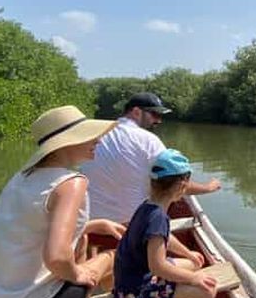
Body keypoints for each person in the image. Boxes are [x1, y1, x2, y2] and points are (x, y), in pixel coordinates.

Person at [0, 106, 123, 298]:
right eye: (90, 135)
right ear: (67, 142)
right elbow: (56, 257)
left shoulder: (20, 178)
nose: (98, 140)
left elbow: (27, 227)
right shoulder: (71, 183)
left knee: (83, 240)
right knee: (115, 255)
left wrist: (94, 225)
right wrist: (78, 274)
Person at [112, 149, 218, 298]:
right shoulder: (158, 217)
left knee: (192, 263)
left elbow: (163, 239)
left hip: (128, 287)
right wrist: (194, 279)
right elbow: (158, 266)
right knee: (206, 291)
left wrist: (189, 254)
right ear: (183, 185)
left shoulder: (148, 207)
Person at [83, 91, 221, 224]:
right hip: (130, 223)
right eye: (154, 114)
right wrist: (209, 187)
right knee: (165, 192)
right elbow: (175, 184)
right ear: (136, 112)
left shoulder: (95, 134)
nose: (158, 120)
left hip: (90, 221)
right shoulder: (148, 140)